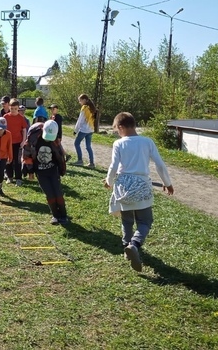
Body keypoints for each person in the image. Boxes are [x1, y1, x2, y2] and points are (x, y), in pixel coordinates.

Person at [104, 112, 174, 272]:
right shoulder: (147, 142)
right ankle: (134, 245)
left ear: (121, 127)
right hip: (142, 185)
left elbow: (113, 166)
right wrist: (167, 183)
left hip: (123, 187)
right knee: (145, 221)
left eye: (116, 129)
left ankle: (126, 246)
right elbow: (160, 164)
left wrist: (109, 181)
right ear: (134, 125)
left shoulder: (118, 144)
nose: (117, 132)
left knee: (127, 220)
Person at [23, 120, 68, 225]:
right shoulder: (33, 137)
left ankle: (63, 215)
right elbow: (27, 154)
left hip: (53, 170)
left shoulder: (55, 141)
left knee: (58, 192)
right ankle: (55, 215)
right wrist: (30, 170)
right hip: (40, 171)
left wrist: (62, 169)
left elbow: (60, 155)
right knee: (49, 193)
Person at [4, 98, 28, 186]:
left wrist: (23, 141)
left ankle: (18, 178)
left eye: (15, 109)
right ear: (9, 107)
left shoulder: (21, 118)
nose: (13, 110)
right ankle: (10, 177)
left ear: (18, 108)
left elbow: (24, 130)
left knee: (17, 161)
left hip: (18, 142)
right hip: (8, 143)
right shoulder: (5, 117)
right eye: (12, 108)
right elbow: (3, 129)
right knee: (8, 160)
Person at [73, 94, 97, 168]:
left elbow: (80, 121)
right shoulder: (92, 108)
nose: (80, 102)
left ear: (84, 100)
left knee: (76, 143)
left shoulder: (84, 108)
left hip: (84, 129)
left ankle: (80, 160)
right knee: (88, 146)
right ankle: (91, 163)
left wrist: (75, 130)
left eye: (80, 100)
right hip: (91, 129)